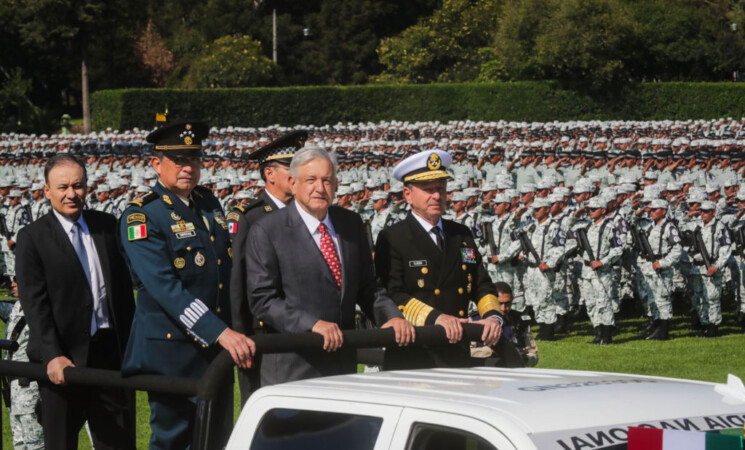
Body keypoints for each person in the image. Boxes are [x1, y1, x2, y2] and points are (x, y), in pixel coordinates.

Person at [119, 120, 255, 450]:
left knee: (215, 437)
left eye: (194, 160)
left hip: (216, 349)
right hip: (173, 351)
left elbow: (225, 271)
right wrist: (219, 331)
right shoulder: (143, 215)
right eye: (179, 160)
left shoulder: (208, 203)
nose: (188, 168)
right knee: (173, 439)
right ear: (156, 164)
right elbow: (165, 288)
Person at [245, 145, 414, 386]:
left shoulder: (351, 224)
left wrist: (391, 316)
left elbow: (368, 287)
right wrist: (310, 325)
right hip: (293, 369)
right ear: (293, 183)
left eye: (327, 180)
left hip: (342, 367)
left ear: (336, 185)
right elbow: (263, 301)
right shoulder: (267, 230)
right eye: (311, 180)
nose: (319, 188)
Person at [15, 153, 136, 449]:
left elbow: (123, 293)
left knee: (118, 443)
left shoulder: (106, 225)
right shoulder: (32, 237)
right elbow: (35, 304)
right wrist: (53, 354)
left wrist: (133, 349)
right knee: (61, 444)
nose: (72, 194)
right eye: (63, 187)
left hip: (110, 356)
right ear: (46, 191)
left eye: (78, 185)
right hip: (63, 360)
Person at [375, 150, 505, 370]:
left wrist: (493, 318)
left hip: (457, 350)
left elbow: (480, 283)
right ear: (408, 194)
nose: (436, 196)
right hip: (415, 352)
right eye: (428, 190)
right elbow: (392, 294)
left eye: (441, 189)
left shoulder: (460, 234)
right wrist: (437, 318)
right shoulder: (393, 237)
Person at [228, 131, 306, 406]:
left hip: (303, 328)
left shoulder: (305, 213)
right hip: (264, 334)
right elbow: (238, 282)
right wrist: (242, 335)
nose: (299, 173)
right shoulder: (250, 217)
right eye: (291, 167)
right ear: (270, 174)